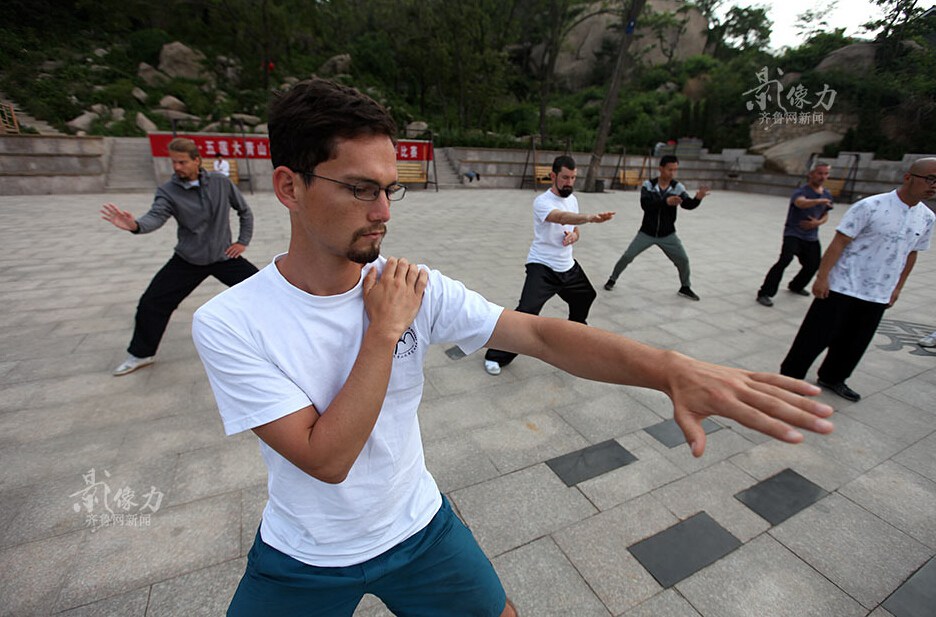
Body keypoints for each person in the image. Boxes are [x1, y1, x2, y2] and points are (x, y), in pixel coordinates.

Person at [191, 78, 834, 617]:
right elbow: (324, 459)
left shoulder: (415, 286)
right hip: (305, 554)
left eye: (392, 188)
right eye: (360, 188)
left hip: (419, 527)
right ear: (289, 187)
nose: (384, 211)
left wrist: (667, 368)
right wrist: (383, 332)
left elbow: (537, 332)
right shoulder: (233, 322)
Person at [780, 157, 936, 402]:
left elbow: (912, 253)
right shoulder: (871, 206)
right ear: (908, 177)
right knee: (814, 337)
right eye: (931, 179)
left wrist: (897, 287)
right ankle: (789, 379)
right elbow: (840, 241)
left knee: (855, 341)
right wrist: (822, 278)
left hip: (878, 291)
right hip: (843, 284)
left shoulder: (927, 218)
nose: (933, 186)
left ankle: (833, 377)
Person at [101, 137, 257, 376]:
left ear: (197, 160)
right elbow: (156, 216)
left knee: (264, 291)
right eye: (174, 162)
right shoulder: (168, 191)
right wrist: (135, 225)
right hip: (188, 259)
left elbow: (244, 212)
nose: (177, 167)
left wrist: (242, 242)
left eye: (182, 162)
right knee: (151, 302)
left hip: (224, 256)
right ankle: (141, 354)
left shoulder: (220, 183)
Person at [483, 155, 615, 376]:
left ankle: (575, 339)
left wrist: (574, 236)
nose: (569, 182)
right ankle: (495, 355)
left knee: (585, 296)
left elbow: (573, 226)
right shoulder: (542, 202)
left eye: (573, 178)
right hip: (542, 266)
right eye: (565, 177)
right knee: (526, 314)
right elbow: (560, 216)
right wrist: (589, 218)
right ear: (553, 176)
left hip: (567, 266)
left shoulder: (572, 199)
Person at [603, 154, 710, 300]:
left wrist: (698, 199)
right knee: (628, 256)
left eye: (675, 170)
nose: (672, 173)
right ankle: (612, 279)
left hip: (668, 234)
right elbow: (646, 205)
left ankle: (685, 287)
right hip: (647, 232)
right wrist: (666, 201)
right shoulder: (649, 185)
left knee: (683, 260)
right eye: (669, 169)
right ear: (661, 169)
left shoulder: (677, 187)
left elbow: (687, 204)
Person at [756, 162, 835, 307]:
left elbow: (826, 214)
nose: (822, 177)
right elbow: (800, 203)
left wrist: (817, 223)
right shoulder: (802, 191)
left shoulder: (827, 194)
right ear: (811, 174)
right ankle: (765, 292)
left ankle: (796, 286)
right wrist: (818, 201)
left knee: (813, 264)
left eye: (825, 174)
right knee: (784, 260)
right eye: (819, 173)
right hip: (793, 234)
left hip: (811, 236)